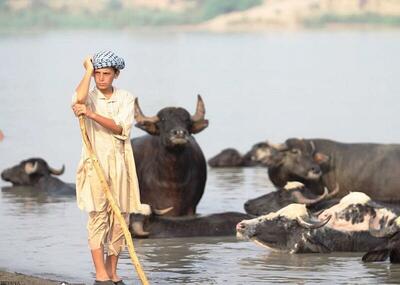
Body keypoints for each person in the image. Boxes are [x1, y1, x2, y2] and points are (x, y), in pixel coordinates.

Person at [71, 51, 150, 285]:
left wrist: (91, 114)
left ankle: (111, 270)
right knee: (98, 217)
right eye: (97, 74)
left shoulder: (126, 98)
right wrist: (86, 71)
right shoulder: (88, 96)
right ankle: (100, 273)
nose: (101, 78)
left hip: (121, 165)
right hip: (94, 163)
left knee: (120, 218)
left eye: (106, 74)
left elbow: (120, 128)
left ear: (116, 74)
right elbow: (78, 100)